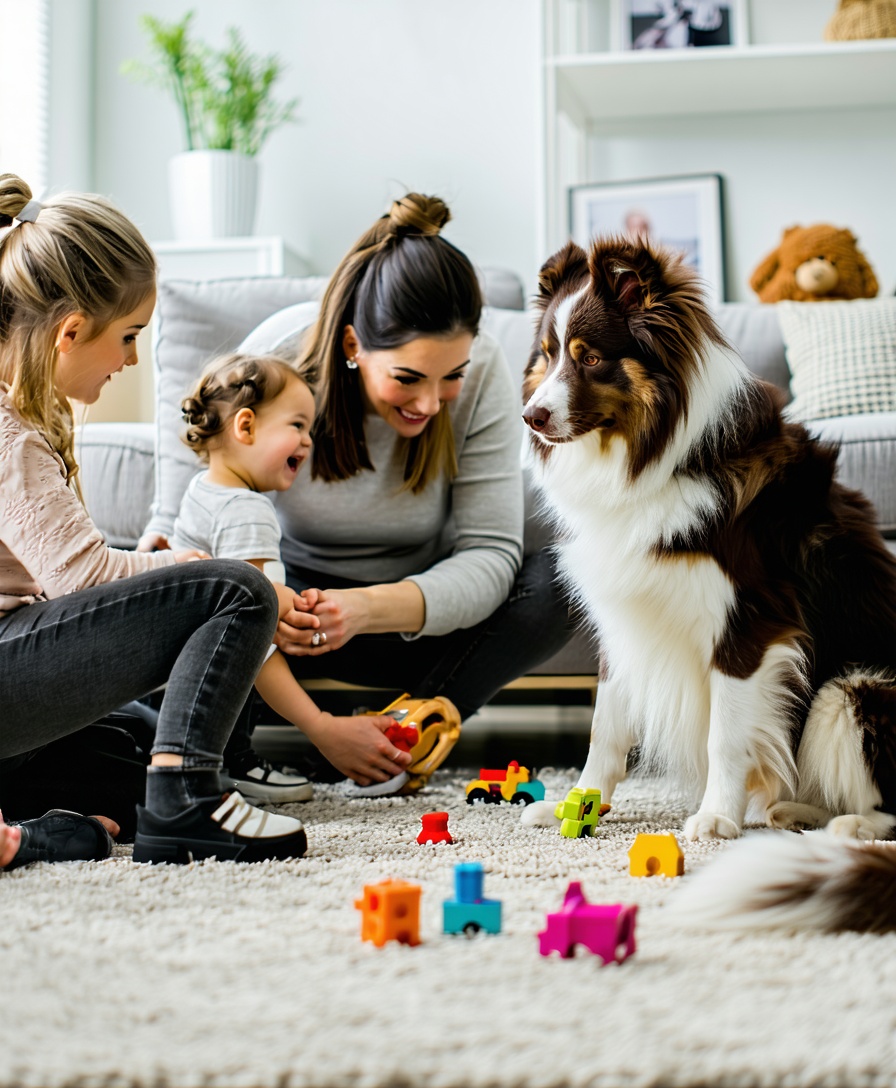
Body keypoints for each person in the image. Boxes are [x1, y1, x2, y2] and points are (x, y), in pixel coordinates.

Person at [0, 173, 308, 864]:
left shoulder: (19, 419)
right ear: (70, 332)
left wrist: (145, 564)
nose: (132, 359)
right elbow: (82, 582)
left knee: (138, 741)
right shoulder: (9, 435)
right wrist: (185, 567)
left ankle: (64, 815)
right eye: (130, 336)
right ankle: (187, 803)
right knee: (235, 589)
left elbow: (57, 570)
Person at [209, 192, 574, 769]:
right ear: (354, 346)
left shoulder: (485, 373)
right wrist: (281, 602)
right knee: (209, 582)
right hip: (288, 616)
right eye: (407, 378)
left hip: (416, 621)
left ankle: (411, 728)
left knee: (564, 578)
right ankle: (249, 745)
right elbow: (211, 505)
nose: (430, 403)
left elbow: (491, 554)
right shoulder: (276, 358)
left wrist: (363, 608)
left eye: (450, 376)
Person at [172, 352, 409, 791]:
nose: (308, 441)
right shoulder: (248, 512)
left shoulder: (202, 489)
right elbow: (251, 643)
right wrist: (319, 724)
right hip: (211, 677)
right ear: (245, 427)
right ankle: (232, 761)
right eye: (297, 426)